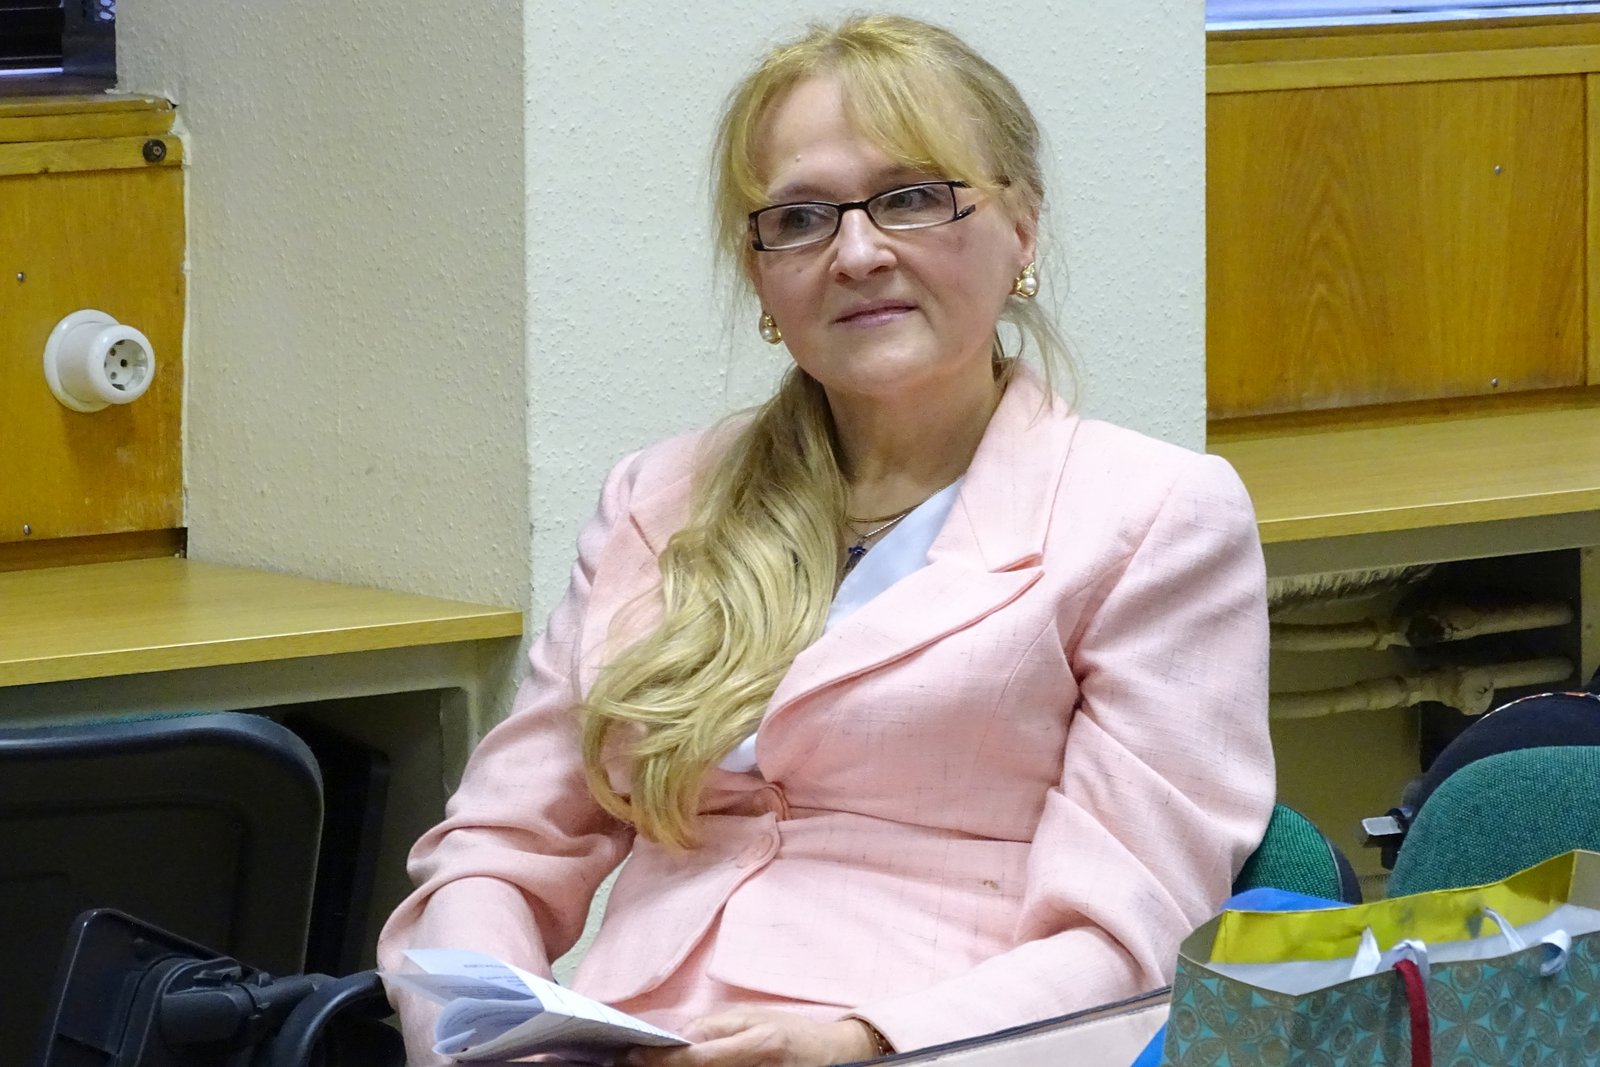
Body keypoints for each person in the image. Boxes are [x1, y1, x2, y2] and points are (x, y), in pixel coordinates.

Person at [380, 14, 1274, 1067]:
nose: (856, 253)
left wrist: (862, 1040)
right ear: (760, 273)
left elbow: (1127, 941)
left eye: (912, 197)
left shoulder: (1155, 516)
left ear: (1022, 229)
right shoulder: (657, 500)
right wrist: (481, 1035)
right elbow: (499, 848)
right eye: (800, 218)